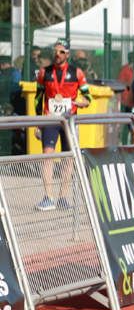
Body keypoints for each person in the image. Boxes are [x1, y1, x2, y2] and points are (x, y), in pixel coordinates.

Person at [34, 40, 92, 211]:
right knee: (47, 156)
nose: (57, 55)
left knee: (68, 158)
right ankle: (48, 197)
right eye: (55, 51)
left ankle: (63, 197)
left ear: (67, 54)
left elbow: (88, 97)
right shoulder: (44, 72)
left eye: (61, 52)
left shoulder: (77, 73)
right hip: (50, 119)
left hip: (69, 120)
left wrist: (82, 103)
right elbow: (38, 98)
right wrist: (38, 123)